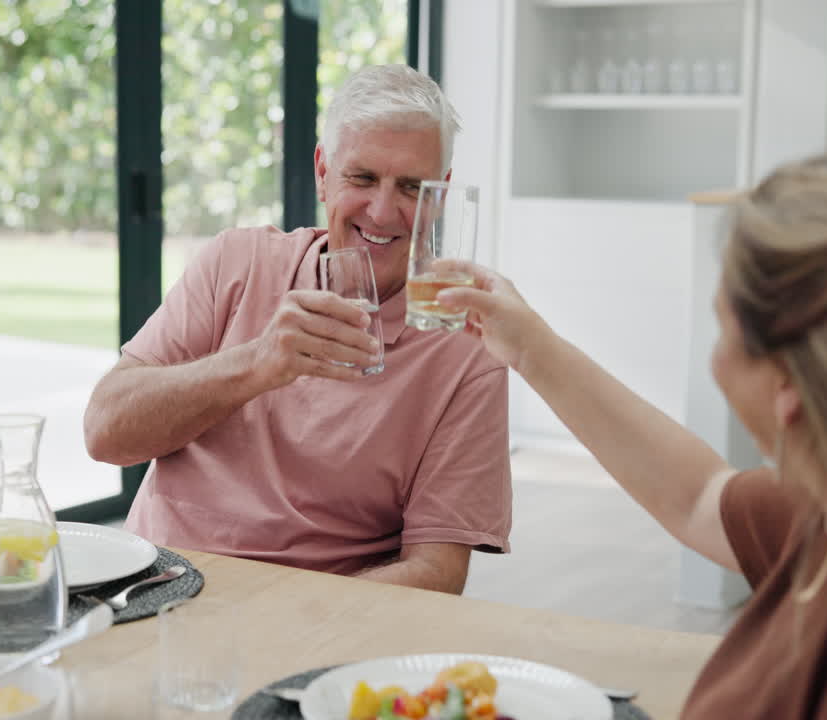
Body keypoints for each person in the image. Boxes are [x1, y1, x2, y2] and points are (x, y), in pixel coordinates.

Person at [437, 148, 827, 718]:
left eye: (724, 332)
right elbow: (698, 496)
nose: (716, 363)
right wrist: (529, 347)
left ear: (788, 383)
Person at [83, 64, 511, 593]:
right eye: (361, 178)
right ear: (322, 172)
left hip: (316, 617)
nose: (382, 210)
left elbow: (438, 573)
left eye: (410, 187)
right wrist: (257, 364)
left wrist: (283, 612)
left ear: (441, 195)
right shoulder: (235, 262)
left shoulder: (468, 345)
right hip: (155, 591)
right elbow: (105, 432)